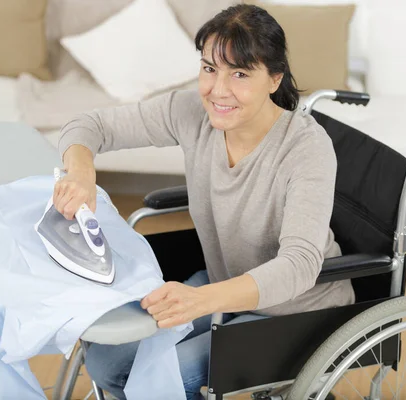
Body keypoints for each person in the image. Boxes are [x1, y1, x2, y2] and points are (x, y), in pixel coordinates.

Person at [53, 4, 355, 399]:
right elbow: (89, 126)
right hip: (223, 284)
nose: (218, 90)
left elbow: (299, 266)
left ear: (274, 78)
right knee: (107, 364)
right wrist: (81, 174)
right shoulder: (192, 111)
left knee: (158, 384)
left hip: (298, 312)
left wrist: (199, 300)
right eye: (210, 68)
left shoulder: (305, 148)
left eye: (241, 74)